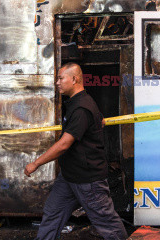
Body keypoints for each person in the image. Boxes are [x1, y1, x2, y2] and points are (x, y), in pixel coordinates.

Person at [24, 62, 128, 240]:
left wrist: (36, 163)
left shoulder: (81, 107)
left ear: (74, 79)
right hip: (70, 177)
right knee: (52, 214)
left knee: (107, 223)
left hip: (89, 181)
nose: (57, 82)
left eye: (60, 78)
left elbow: (64, 144)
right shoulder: (76, 103)